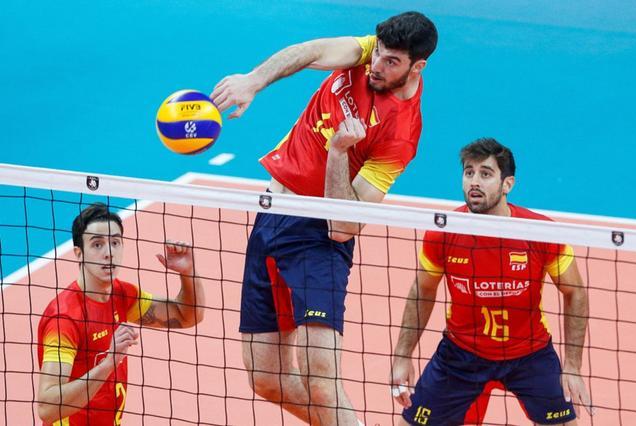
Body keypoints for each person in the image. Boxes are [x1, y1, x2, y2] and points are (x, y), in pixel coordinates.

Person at [211, 11, 438, 426]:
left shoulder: (401, 135)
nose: (377, 66)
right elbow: (311, 52)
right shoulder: (368, 52)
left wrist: (338, 154)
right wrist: (253, 81)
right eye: (379, 55)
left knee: (321, 381)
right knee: (265, 379)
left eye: (391, 63)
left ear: (416, 67)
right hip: (271, 216)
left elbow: (344, 227)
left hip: (317, 240)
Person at [390, 138, 594, 425]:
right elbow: (422, 291)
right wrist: (402, 356)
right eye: (469, 172)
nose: (475, 181)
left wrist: (572, 366)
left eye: (486, 174)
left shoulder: (540, 232)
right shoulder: (442, 232)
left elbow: (576, 292)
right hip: (462, 354)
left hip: (530, 355)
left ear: (507, 184)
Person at [36, 203, 205, 425]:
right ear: (79, 253)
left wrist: (188, 273)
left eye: (115, 242)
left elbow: (187, 316)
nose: (109, 253)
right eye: (97, 244)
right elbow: (47, 408)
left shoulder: (122, 295)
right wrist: (109, 363)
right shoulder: (64, 319)